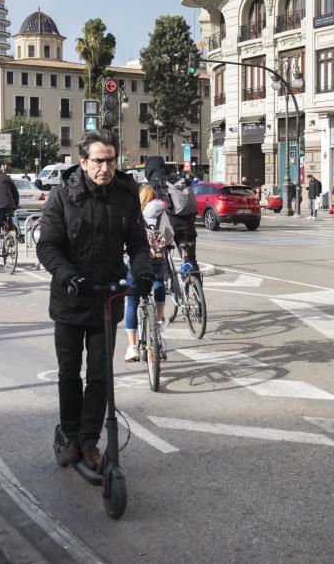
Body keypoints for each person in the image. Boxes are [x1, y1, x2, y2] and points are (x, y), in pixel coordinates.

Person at [36, 130, 153, 470]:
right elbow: (48, 246)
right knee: (69, 372)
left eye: (111, 160)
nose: (106, 167)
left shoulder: (126, 195)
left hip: (107, 297)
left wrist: (142, 274)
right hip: (71, 297)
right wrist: (68, 276)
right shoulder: (62, 196)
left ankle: (89, 440)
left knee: (100, 374)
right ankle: (70, 435)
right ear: (84, 162)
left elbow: (139, 244)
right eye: (99, 161)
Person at [124, 185, 172, 362]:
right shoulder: (161, 213)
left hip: (138, 260)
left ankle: (132, 347)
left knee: (132, 301)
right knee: (159, 282)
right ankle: (158, 323)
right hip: (157, 259)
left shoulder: (134, 212)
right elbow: (169, 234)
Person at [145, 156, 199, 271]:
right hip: (188, 226)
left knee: (162, 262)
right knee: (191, 261)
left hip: (165, 229)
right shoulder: (177, 181)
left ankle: (168, 280)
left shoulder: (150, 186)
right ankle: (195, 284)